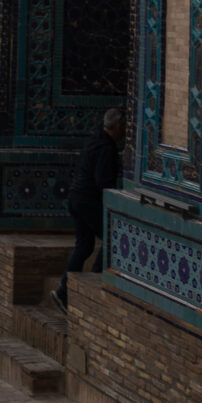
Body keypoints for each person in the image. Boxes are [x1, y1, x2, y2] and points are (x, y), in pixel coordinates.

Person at [55, 107, 126, 301]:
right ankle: (91, 284)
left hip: (76, 198)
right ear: (118, 126)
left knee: (85, 246)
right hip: (87, 201)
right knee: (111, 239)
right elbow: (102, 181)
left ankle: (64, 292)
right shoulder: (106, 147)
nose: (126, 133)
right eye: (125, 127)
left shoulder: (95, 138)